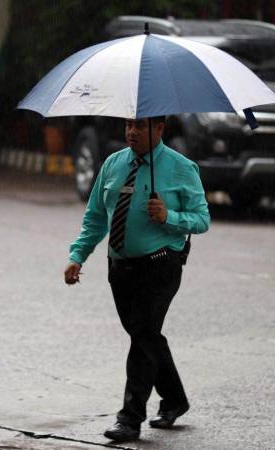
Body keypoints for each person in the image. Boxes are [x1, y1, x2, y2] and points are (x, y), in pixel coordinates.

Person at [64, 116, 210, 442]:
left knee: (143, 334)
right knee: (146, 335)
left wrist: (168, 216)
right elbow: (96, 218)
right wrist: (78, 255)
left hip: (160, 266)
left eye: (140, 126)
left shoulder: (181, 168)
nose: (131, 132)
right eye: (128, 125)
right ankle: (174, 399)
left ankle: (129, 419)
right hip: (120, 269)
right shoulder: (113, 164)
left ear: (160, 128)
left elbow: (201, 220)